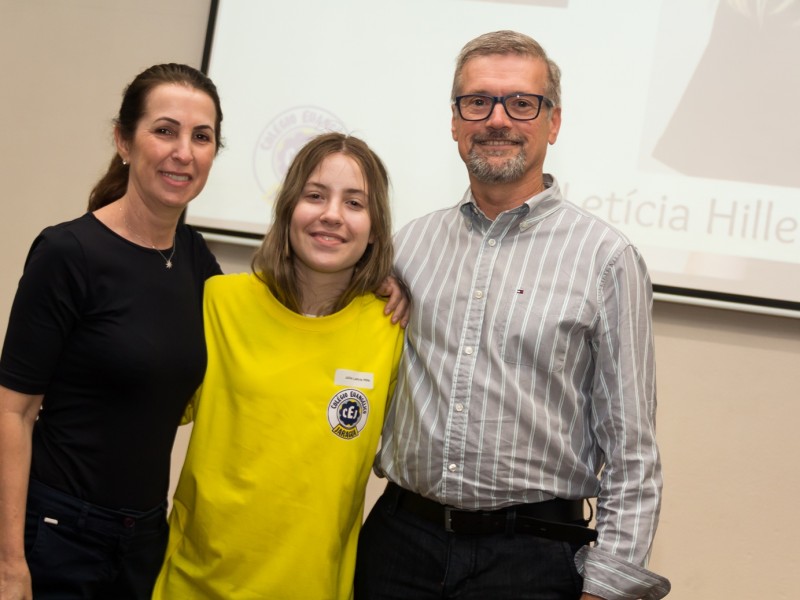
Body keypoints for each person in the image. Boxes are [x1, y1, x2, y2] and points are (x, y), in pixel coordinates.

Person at [355, 30, 671, 600]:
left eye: (521, 103)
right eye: (477, 102)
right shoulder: (410, 246)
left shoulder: (606, 259)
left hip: (533, 561)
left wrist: (608, 587)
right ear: (455, 122)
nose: (497, 119)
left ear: (553, 122)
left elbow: (632, 452)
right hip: (400, 545)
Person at [0, 63, 225, 600]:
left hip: (144, 539)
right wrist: (9, 565)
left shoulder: (195, 258)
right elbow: (13, 413)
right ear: (124, 141)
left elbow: (269, 318)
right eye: (165, 130)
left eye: (202, 137)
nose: (184, 152)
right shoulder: (67, 253)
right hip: (58, 533)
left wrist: (373, 281)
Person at [151, 132, 404, 600]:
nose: (332, 214)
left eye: (354, 203)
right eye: (315, 195)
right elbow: (137, 414)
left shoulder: (391, 330)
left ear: (375, 228)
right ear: (288, 208)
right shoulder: (218, 303)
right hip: (194, 586)